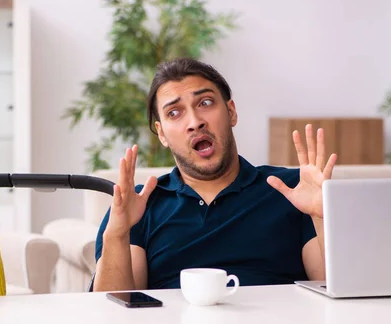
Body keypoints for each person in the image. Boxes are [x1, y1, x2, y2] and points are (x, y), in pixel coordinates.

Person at [92, 58, 338, 292]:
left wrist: (322, 216)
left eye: (205, 103)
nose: (195, 121)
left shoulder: (293, 190)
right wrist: (117, 234)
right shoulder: (138, 206)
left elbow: (336, 291)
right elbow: (114, 310)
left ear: (231, 112)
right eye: (174, 113)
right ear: (162, 134)